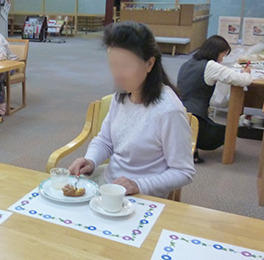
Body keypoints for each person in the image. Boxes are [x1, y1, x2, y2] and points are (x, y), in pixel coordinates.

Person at [68, 21, 195, 198]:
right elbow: (105, 140)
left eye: (126, 66)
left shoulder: (169, 110)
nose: (117, 74)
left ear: (149, 63)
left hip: (143, 195)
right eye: (113, 64)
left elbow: (183, 171)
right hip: (110, 185)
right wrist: (91, 160)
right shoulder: (122, 95)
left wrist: (138, 185)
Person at [177, 35, 251, 163]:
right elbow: (242, 80)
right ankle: (195, 144)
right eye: (223, 54)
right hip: (196, 120)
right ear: (216, 52)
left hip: (179, 118)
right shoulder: (211, 66)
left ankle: (189, 148)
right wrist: (247, 73)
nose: (222, 59)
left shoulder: (186, 64)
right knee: (229, 132)